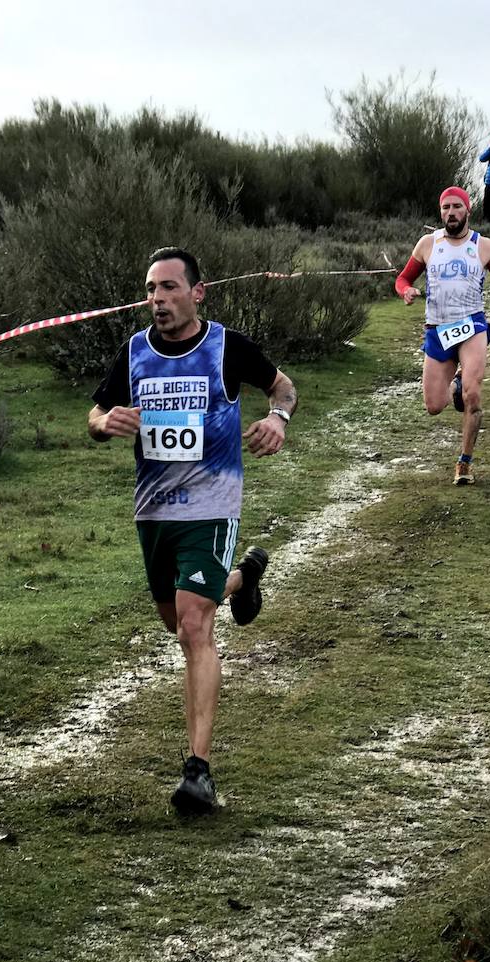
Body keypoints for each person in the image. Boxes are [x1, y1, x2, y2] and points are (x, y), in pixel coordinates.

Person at [89, 246, 296, 815]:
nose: (157, 299)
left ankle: (198, 771)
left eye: (169, 288)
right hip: (153, 511)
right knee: (174, 618)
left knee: (192, 627)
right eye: (151, 289)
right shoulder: (134, 352)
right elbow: (94, 413)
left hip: (212, 503)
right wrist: (105, 422)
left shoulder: (226, 348)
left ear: (197, 292)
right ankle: (245, 576)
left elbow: (284, 387)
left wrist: (277, 418)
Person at [394, 186, 490, 485]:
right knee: (433, 406)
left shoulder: (484, 246)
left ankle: (464, 463)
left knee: (473, 395)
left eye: (456, 207)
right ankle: (456, 384)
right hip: (437, 329)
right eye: (445, 208)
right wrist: (406, 291)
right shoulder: (428, 244)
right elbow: (402, 278)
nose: (450, 213)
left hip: (471, 326)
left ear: (467, 210)